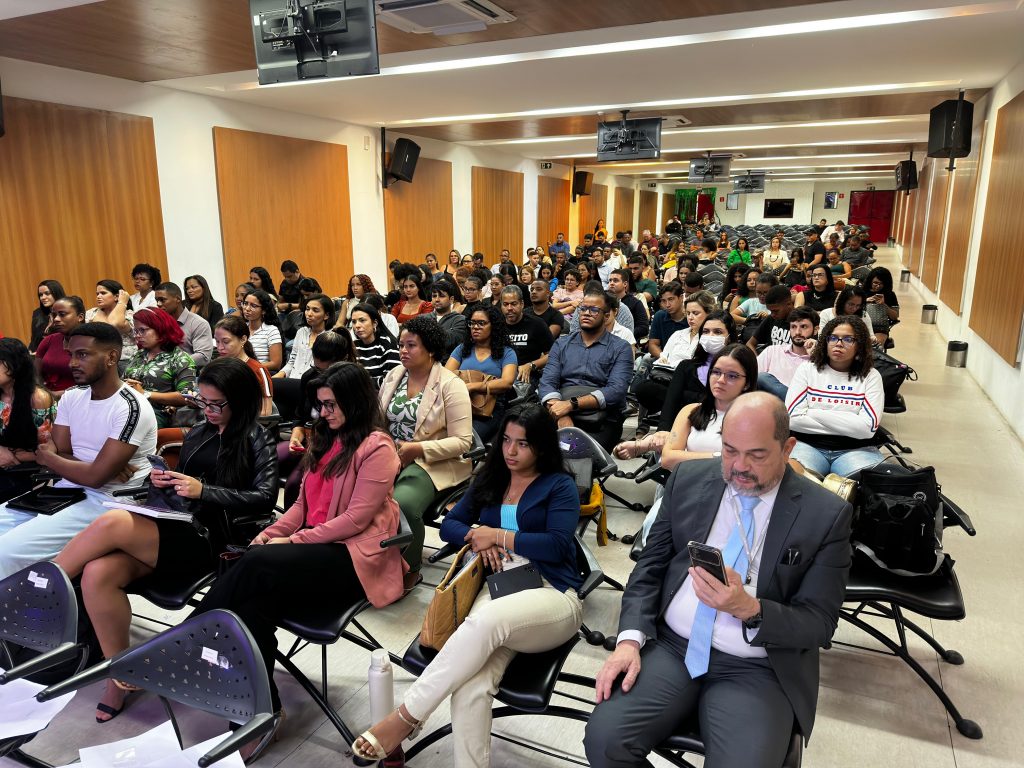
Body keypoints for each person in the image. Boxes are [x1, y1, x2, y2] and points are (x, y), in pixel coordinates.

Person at [584, 392, 853, 768]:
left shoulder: (825, 514)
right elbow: (649, 570)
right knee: (605, 739)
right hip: (673, 647)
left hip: (757, 666)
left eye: (756, 455)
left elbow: (819, 623)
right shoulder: (690, 479)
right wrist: (630, 640)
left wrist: (752, 609)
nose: (739, 466)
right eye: (729, 450)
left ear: (788, 447)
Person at [191, 362, 405, 756]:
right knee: (249, 607)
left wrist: (292, 542)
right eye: (321, 405)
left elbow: (355, 520)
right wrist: (269, 534)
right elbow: (301, 507)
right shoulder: (326, 440)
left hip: (352, 558)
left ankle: (191, 634)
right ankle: (263, 709)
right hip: (316, 550)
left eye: (331, 405)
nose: (324, 413)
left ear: (356, 402)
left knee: (254, 565)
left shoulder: (378, 447)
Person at [353, 404, 583, 766]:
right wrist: (479, 536)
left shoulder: (560, 485)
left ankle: (406, 717)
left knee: (485, 622)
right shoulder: (492, 478)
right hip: (499, 588)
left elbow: (557, 544)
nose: (510, 451)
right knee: (471, 688)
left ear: (541, 447)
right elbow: (448, 525)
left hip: (552, 594)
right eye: (506, 440)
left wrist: (499, 536)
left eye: (522, 444)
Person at [53, 357, 277, 723]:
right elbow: (182, 484)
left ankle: (51, 584)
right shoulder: (202, 432)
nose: (209, 410)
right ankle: (118, 675)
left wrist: (205, 491)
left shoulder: (257, 434)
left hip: (213, 541)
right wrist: (160, 481)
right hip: (178, 529)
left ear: (240, 399)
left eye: (217, 404)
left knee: (112, 523)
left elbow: (265, 497)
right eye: (203, 402)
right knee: (97, 573)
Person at [0, 323, 157, 579]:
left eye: (82, 355)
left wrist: (63, 461)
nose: (72, 362)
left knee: (4, 551)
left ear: (111, 357)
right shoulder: (73, 396)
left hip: (109, 502)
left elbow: (91, 477)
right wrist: (94, 465)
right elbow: (59, 454)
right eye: (71, 355)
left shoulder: (130, 406)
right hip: (66, 488)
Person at [379, 316, 472, 589]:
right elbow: (377, 420)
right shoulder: (394, 375)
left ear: (430, 349)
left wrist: (417, 448)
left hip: (433, 461)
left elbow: (463, 442)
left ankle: (410, 568)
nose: (403, 351)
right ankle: (370, 559)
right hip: (390, 454)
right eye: (401, 345)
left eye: (411, 345)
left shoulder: (450, 384)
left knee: (403, 504)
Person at [786, 316, 885, 478]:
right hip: (807, 445)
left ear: (859, 345)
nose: (838, 343)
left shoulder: (871, 376)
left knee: (867, 487)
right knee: (794, 478)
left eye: (848, 339)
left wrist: (811, 412)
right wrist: (850, 420)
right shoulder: (807, 369)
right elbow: (793, 419)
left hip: (856, 450)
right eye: (833, 338)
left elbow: (867, 429)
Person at [539, 289, 633, 450]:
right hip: (559, 412)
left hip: (602, 419)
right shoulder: (562, 344)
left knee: (576, 453)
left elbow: (616, 390)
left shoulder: (620, 347)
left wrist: (571, 405)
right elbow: (547, 382)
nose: (587, 313)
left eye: (594, 310)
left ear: (607, 315)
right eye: (583, 308)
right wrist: (562, 414)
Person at [278, 331, 356, 509]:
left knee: (295, 484)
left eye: (325, 370)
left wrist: (317, 444)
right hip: (309, 440)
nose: (320, 375)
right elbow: (300, 415)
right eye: (317, 368)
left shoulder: (352, 382)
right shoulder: (310, 377)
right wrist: (295, 435)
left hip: (336, 446)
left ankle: (300, 531)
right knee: (266, 460)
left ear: (341, 361)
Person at [445, 305, 517, 442]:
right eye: (472, 323)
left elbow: (507, 382)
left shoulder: (506, 352)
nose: (475, 327)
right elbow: (446, 376)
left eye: (481, 323)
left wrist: (473, 386)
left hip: (490, 409)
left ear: (493, 326)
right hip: (459, 404)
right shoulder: (462, 349)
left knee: (464, 440)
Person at [0, 339, 56, 502]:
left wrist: (12, 455)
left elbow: (50, 450)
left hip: (24, 472)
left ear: (15, 364)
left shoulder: (38, 398)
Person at [122, 308, 197, 429]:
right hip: (129, 407)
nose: (138, 336)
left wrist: (145, 394)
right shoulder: (139, 355)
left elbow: (186, 396)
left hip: (160, 414)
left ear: (160, 328)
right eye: (136, 331)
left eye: (142, 330)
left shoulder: (180, 358)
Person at [214, 316, 274, 417]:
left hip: (245, 427)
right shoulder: (216, 367)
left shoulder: (257, 370)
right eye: (217, 341)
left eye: (226, 342)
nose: (219, 347)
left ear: (243, 339)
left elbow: (265, 411)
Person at [756, 307, 819, 400]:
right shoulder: (772, 351)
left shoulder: (821, 359)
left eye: (803, 327)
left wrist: (815, 357)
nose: (797, 332)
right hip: (770, 406)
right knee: (761, 377)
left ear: (816, 329)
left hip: (805, 406)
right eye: (793, 327)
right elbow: (751, 378)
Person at [500, 286, 554, 387]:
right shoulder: (496, 325)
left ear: (522, 304)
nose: (509, 308)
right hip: (500, 374)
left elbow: (552, 354)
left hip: (526, 376)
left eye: (514, 304)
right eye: (505, 304)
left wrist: (531, 365)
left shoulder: (537, 324)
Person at [35, 296, 86, 396]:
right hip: (47, 398)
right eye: (54, 315)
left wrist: (61, 394)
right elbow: (36, 374)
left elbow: (95, 380)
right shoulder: (49, 340)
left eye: (62, 314)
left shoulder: (92, 343)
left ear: (80, 317)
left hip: (81, 397)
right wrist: (44, 393)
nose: (56, 319)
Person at [154, 282, 214, 367]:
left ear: (178, 299)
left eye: (162, 300)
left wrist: (172, 365)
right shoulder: (158, 323)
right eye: (157, 300)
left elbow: (203, 356)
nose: (158, 304)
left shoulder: (198, 323)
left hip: (192, 374)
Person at [277, 293, 335, 380]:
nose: (309, 314)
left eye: (315, 310)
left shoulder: (331, 337)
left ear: (326, 315)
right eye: (307, 309)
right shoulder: (301, 332)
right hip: (293, 378)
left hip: (313, 383)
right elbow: (292, 362)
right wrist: (280, 374)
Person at [350, 302, 400, 387]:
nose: (357, 326)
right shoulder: (354, 346)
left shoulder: (388, 343)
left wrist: (361, 382)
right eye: (354, 322)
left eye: (362, 320)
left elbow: (391, 380)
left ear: (375, 323)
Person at [86, 280, 135, 362]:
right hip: (98, 358)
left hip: (125, 360)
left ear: (116, 297)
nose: (98, 296)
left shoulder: (129, 315)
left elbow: (115, 324)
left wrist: (122, 302)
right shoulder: (91, 313)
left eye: (103, 293)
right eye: (97, 294)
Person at [242, 288, 284, 374]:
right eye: (245, 303)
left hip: (260, 373)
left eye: (253, 306)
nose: (247, 308)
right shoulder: (240, 328)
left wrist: (250, 368)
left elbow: (276, 364)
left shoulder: (271, 330)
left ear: (264, 310)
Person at [747, 285, 796, 352]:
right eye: (770, 311)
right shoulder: (770, 319)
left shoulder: (801, 323)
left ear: (788, 304)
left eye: (776, 311)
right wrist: (757, 361)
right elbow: (750, 344)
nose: (772, 314)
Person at [647, 282, 689, 360]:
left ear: (681, 298)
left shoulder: (691, 317)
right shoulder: (659, 316)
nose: (667, 305)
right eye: (664, 301)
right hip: (665, 359)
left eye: (671, 299)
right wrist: (664, 358)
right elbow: (652, 345)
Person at [608, 269, 649, 341]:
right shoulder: (604, 301)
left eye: (615, 280)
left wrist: (624, 334)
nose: (611, 283)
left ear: (625, 284)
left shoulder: (635, 303)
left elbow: (643, 328)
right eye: (610, 280)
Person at [431, 279, 469, 357]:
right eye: (434, 296)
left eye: (442, 296)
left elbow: (449, 342)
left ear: (451, 299)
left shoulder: (460, 320)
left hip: (447, 363)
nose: (437, 299)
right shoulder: (424, 317)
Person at [863, 267, 900, 346]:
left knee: (876, 346)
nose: (878, 286)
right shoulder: (862, 292)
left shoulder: (890, 295)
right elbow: (850, 309)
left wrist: (884, 305)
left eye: (881, 284)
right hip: (861, 326)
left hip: (879, 328)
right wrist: (864, 301)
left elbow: (895, 317)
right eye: (875, 283)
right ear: (870, 281)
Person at [30, 280, 65, 353]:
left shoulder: (67, 311)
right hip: (39, 353)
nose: (43, 297)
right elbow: (34, 340)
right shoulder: (37, 313)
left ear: (56, 293)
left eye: (47, 293)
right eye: (40, 295)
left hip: (60, 351)